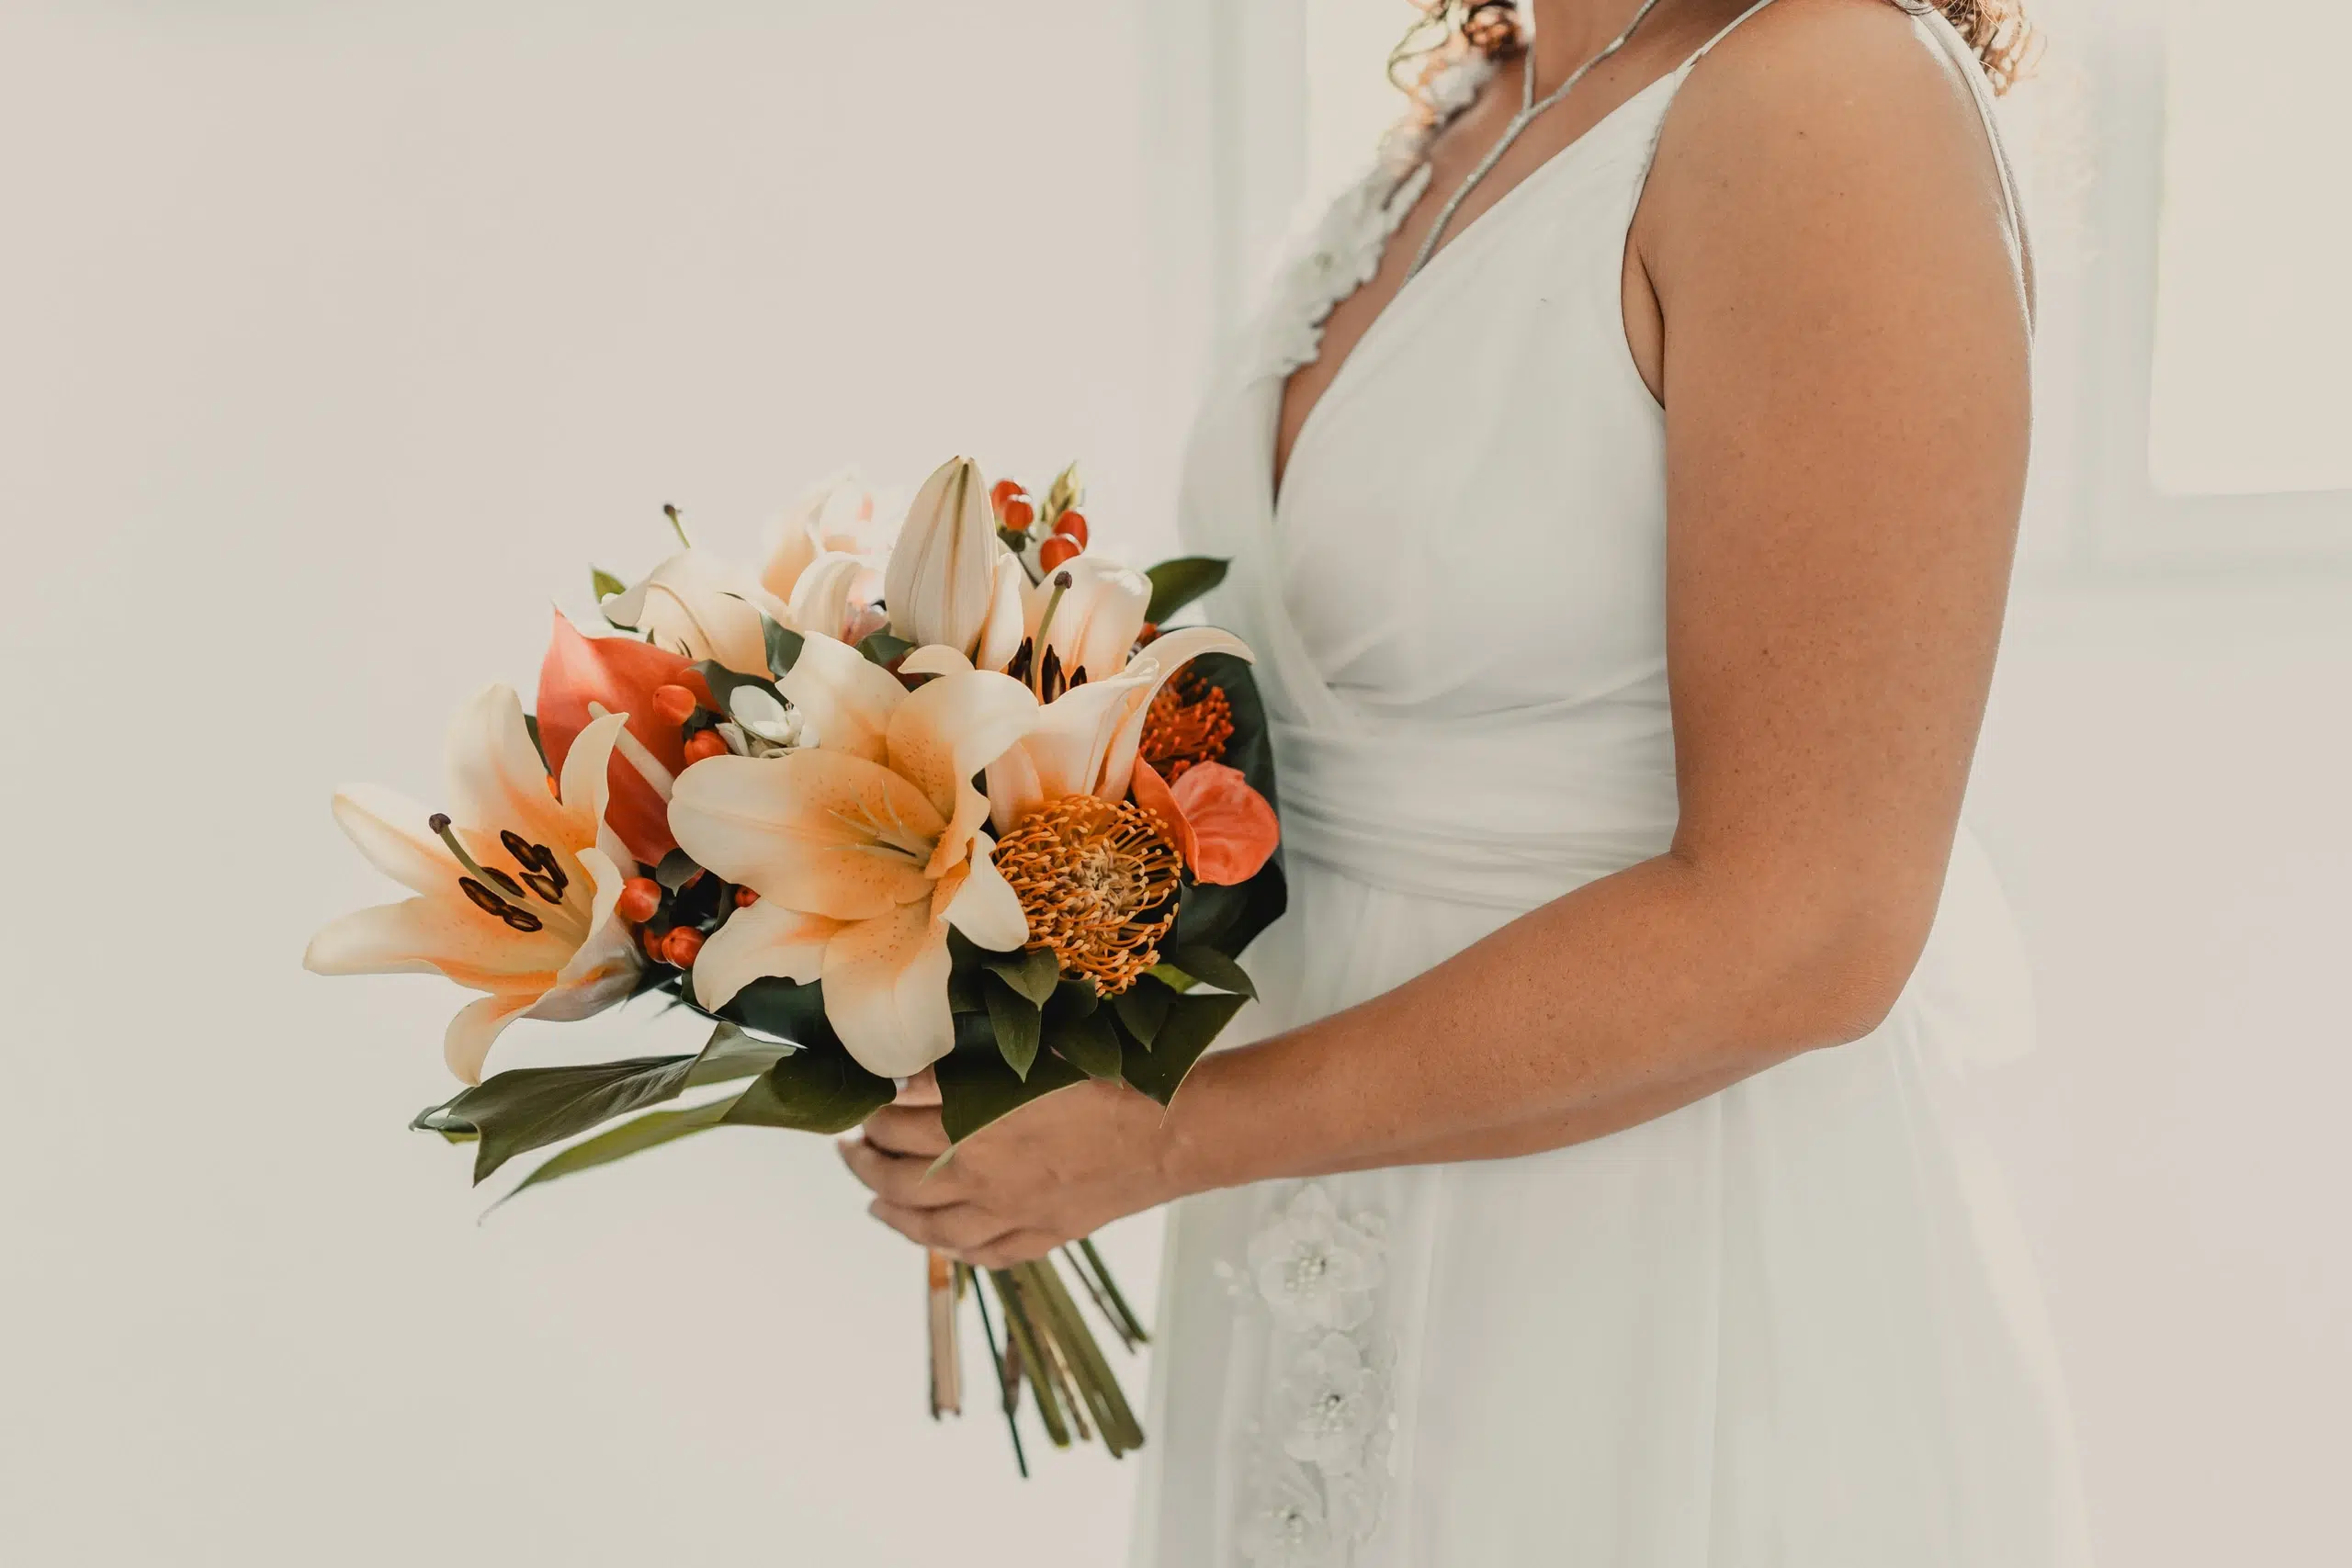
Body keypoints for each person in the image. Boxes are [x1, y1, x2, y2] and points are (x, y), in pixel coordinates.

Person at [843, 0, 2092, 1560]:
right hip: (1301, 1219)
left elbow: (1814, 925)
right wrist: (976, 909)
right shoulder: (1481, 96)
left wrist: (1166, 1133)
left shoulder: (1828, 97)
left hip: (1642, 1261)